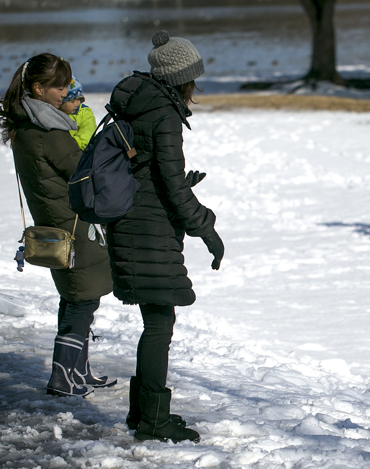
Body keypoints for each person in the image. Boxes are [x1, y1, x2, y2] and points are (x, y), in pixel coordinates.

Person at [106, 31, 225, 443]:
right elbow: (172, 188)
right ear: (180, 79)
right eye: (194, 78)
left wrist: (174, 185)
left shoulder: (140, 103)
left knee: (155, 322)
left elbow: (154, 172)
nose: (197, 87)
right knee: (159, 324)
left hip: (131, 221)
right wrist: (207, 227)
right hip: (148, 228)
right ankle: (153, 420)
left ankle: (142, 412)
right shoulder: (165, 114)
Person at [0, 53, 115, 398]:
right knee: (82, 299)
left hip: (59, 222)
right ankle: (63, 379)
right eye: (59, 86)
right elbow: (80, 166)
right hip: (72, 224)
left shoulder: (30, 124)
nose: (66, 92)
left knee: (75, 296)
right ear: (38, 88)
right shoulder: (46, 131)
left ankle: (78, 370)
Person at [58, 77, 96, 150]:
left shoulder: (84, 113)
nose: (77, 103)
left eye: (79, 99)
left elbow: (88, 130)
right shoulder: (53, 114)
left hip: (80, 152)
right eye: (72, 101)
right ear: (60, 102)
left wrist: (76, 142)